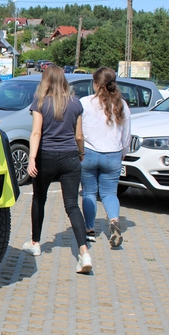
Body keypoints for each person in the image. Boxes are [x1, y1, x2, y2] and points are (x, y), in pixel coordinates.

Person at [22, 65, 92, 274]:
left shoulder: (40, 102)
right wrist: (81, 153)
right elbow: (79, 135)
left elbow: (36, 133)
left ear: (45, 81)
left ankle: (35, 243)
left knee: (38, 199)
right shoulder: (75, 103)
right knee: (72, 205)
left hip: (46, 157)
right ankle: (84, 252)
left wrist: (31, 159)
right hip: (70, 156)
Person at [80, 67, 131, 247]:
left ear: (95, 83)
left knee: (89, 193)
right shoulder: (122, 105)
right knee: (110, 193)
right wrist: (122, 152)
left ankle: (89, 230)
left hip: (89, 153)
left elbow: (78, 131)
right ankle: (114, 220)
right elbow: (126, 135)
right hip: (113, 154)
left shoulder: (85, 103)